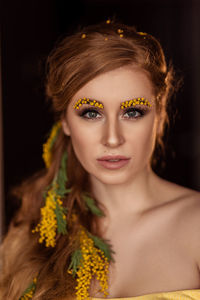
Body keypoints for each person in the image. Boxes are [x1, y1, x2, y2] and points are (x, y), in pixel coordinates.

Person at [0, 20, 200, 300]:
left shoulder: (196, 224)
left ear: (159, 112)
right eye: (91, 113)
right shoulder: (30, 236)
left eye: (132, 112)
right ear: (65, 122)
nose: (113, 138)